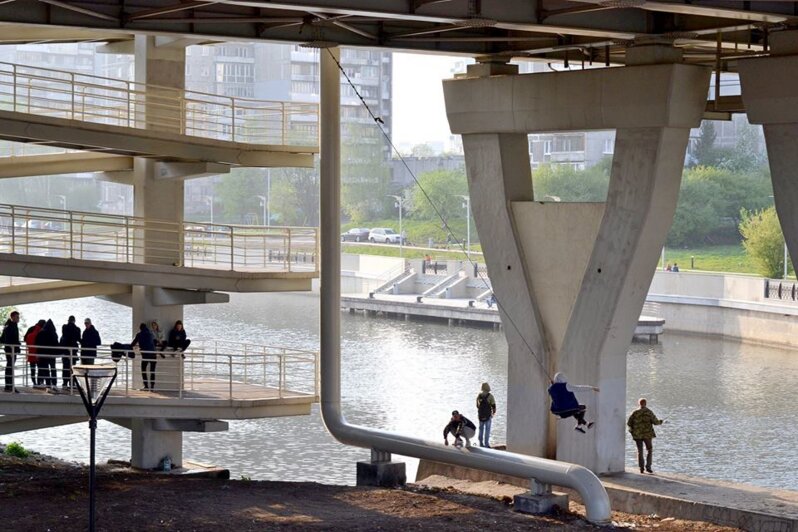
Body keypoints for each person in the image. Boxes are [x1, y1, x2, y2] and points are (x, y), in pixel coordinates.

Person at [627, 398, 665, 474]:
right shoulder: (649, 412)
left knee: (640, 451)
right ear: (645, 403)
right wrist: (662, 421)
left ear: (639, 403)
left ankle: (641, 468)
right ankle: (648, 467)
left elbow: (629, 423)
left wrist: (633, 430)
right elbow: (656, 422)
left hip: (637, 435)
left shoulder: (635, 413)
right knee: (649, 450)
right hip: (647, 434)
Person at [131, 323, 159, 391]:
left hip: (145, 355)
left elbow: (133, 344)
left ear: (140, 328)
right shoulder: (150, 334)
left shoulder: (139, 334)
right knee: (152, 371)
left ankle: (146, 386)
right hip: (153, 354)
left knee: (143, 369)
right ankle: (152, 386)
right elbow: (154, 342)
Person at [36, 320, 60, 390]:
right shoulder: (54, 334)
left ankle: (48, 384)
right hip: (52, 355)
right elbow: (56, 344)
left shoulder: (41, 333)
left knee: (45, 370)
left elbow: (38, 344)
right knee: (53, 369)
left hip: (43, 355)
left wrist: (38, 354)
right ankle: (54, 384)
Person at [1, 311, 21, 392]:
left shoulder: (12, 326)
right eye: (17, 317)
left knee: (10, 367)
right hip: (10, 350)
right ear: (12, 317)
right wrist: (12, 348)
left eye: (18, 317)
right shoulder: (10, 326)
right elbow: (8, 339)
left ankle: (9, 386)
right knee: (10, 368)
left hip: (12, 349)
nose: (18, 319)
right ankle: (9, 386)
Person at [59, 316, 81, 389]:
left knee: (65, 368)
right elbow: (78, 338)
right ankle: (72, 383)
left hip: (65, 351)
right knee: (73, 368)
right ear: (74, 321)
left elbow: (64, 334)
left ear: (68, 321)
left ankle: (65, 383)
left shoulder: (64, 327)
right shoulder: (77, 329)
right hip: (73, 352)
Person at [23, 319, 45, 387]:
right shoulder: (42, 330)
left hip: (31, 352)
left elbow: (25, 339)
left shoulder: (31, 328)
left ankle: (34, 383)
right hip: (39, 352)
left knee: (32, 369)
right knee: (40, 369)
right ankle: (39, 383)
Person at [476, 382, 497, 448]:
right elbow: (493, 405)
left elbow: (477, 405)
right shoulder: (490, 396)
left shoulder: (479, 396)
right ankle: (486, 444)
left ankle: (480, 444)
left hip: (481, 416)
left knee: (481, 429)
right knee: (487, 430)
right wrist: (493, 412)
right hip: (488, 416)